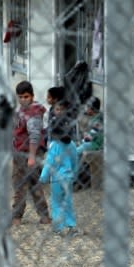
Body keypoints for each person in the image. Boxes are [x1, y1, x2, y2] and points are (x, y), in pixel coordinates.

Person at [12, 81, 51, 226]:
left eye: (26, 97)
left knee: (22, 185)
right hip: (19, 152)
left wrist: (32, 156)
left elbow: (34, 135)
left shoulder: (34, 113)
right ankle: (43, 216)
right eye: (20, 97)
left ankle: (17, 217)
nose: (23, 100)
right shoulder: (20, 110)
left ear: (32, 96)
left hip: (29, 153)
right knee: (30, 185)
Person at [40, 99, 79, 237]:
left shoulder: (54, 146)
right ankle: (71, 226)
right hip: (68, 177)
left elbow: (49, 164)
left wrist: (43, 177)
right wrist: (74, 174)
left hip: (56, 179)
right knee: (68, 201)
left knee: (56, 202)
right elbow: (75, 161)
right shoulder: (72, 146)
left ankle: (58, 227)